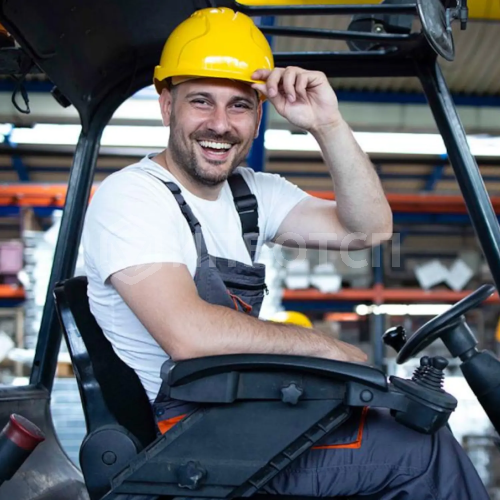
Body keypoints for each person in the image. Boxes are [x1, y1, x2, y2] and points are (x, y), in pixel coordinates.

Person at [82, 7, 488, 499]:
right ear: (167, 106)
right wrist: (324, 346)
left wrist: (328, 124)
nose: (220, 124)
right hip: (195, 441)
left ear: (259, 116)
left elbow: (369, 229)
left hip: (241, 410)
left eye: (239, 105)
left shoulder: (249, 194)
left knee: (404, 423)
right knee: (420, 451)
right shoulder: (134, 196)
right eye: (201, 101)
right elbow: (189, 334)